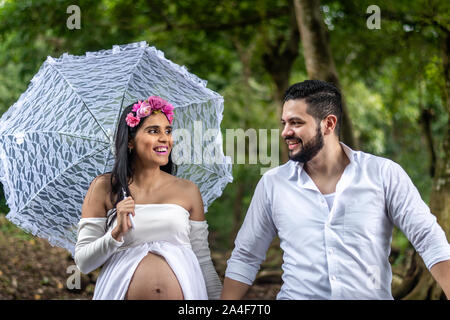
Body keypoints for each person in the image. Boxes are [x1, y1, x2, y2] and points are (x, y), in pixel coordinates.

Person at [221, 80, 450, 300]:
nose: (285, 132)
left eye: (296, 123)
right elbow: (246, 257)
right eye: (284, 123)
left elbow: (429, 240)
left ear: (328, 124)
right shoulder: (273, 183)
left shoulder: (384, 174)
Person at [74, 96, 222, 300]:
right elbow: (84, 262)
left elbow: (203, 261)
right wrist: (115, 234)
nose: (165, 138)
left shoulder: (188, 190)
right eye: (154, 131)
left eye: (168, 131)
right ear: (130, 141)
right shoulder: (105, 187)